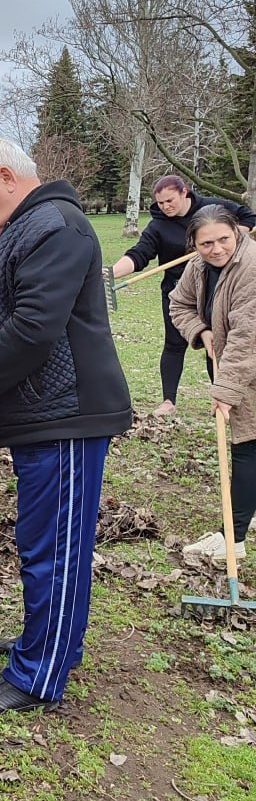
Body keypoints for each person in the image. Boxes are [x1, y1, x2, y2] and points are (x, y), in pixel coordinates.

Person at [0, 138, 131, 717]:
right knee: (47, 542)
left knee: (54, 548)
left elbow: (35, 327)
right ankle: (54, 644)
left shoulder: (55, 227)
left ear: (6, 176)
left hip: (64, 414)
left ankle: (39, 675)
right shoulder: (21, 228)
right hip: (46, 413)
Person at [107, 175, 255, 417]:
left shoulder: (212, 209)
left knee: (217, 346)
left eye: (170, 200)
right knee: (174, 344)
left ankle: (223, 400)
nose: (165, 207)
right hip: (179, 292)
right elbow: (139, 255)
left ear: (184, 192)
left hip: (218, 287)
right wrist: (111, 274)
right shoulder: (158, 225)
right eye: (161, 203)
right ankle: (168, 400)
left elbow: (249, 217)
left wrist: (220, 241)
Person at [168, 205, 256, 562]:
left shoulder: (250, 267)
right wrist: (200, 331)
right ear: (193, 244)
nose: (217, 249)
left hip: (244, 362)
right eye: (206, 243)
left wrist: (225, 391)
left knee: (247, 443)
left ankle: (232, 538)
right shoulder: (198, 267)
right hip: (229, 363)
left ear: (237, 231)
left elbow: (247, 336)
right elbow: (179, 305)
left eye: (224, 239)